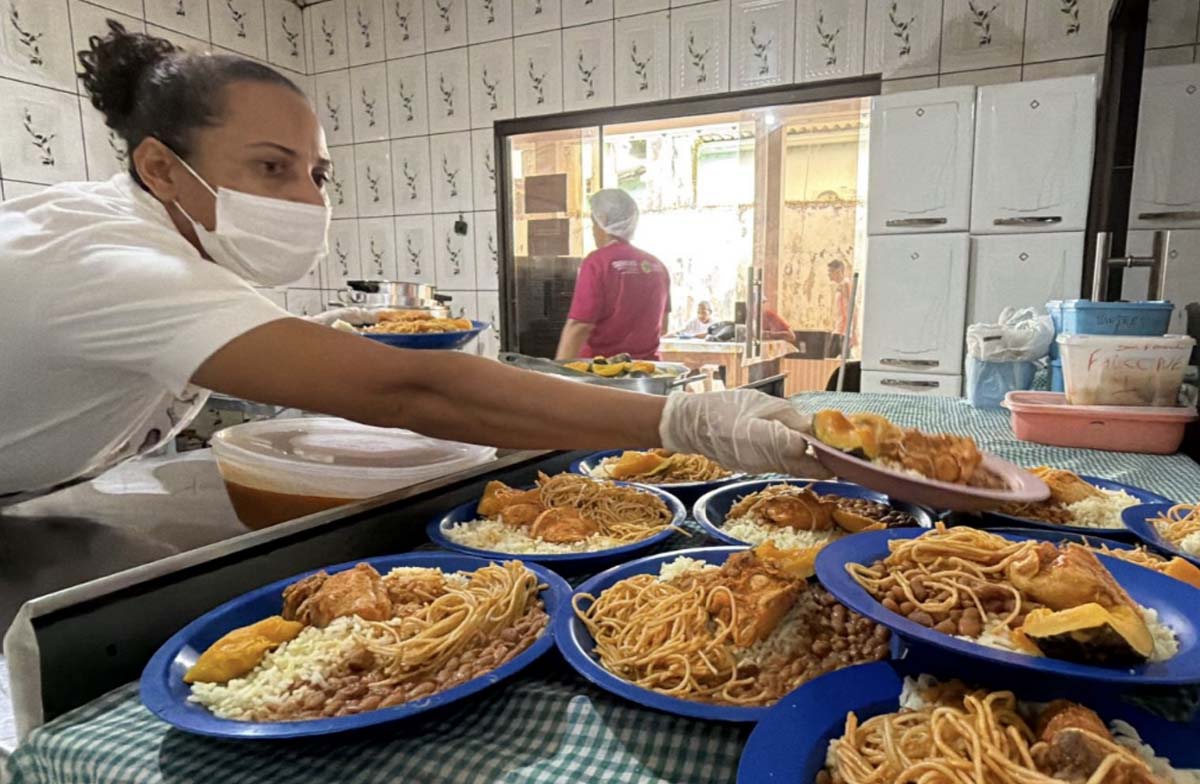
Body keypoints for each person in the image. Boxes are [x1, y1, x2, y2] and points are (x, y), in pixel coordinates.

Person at [0, 23, 826, 504]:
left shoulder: (157, 237)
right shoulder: (108, 261)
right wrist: (684, 423)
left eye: (315, 174)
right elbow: (410, 389)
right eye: (270, 167)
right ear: (157, 167)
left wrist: (308, 334)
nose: (305, 200)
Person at [555, 189, 671, 361]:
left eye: (593, 222)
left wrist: (558, 376)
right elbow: (663, 327)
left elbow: (579, 326)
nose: (593, 230)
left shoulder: (597, 262)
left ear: (602, 222)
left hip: (601, 374)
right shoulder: (657, 266)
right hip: (646, 375)